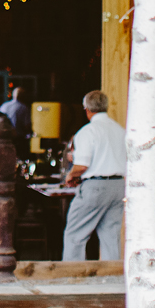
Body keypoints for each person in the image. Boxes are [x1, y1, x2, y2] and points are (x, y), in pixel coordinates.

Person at [62, 90, 126, 262]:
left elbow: (82, 165)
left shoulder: (88, 131)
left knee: (75, 234)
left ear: (87, 109)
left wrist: (70, 175)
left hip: (96, 186)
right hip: (119, 186)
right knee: (110, 235)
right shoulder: (120, 130)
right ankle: (111, 278)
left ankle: (72, 277)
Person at [0, 87, 32, 157]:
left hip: (3, 139)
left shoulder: (4, 106)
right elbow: (26, 126)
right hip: (18, 139)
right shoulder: (23, 107)